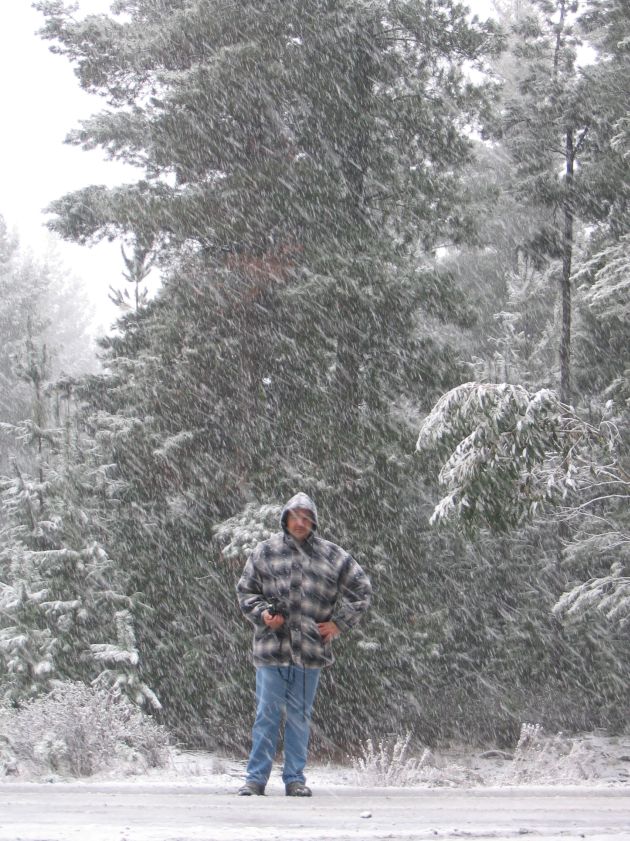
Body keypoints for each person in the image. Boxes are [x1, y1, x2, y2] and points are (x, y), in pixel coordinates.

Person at [236, 491, 371, 797]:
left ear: (314, 522)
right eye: (295, 517)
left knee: (299, 717)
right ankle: (255, 779)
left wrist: (339, 623)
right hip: (272, 650)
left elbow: (362, 589)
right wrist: (263, 614)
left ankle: (295, 779)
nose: (300, 523)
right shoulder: (265, 552)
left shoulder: (332, 556)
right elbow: (246, 591)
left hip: (310, 652)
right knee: (266, 715)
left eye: (306, 517)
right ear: (285, 519)